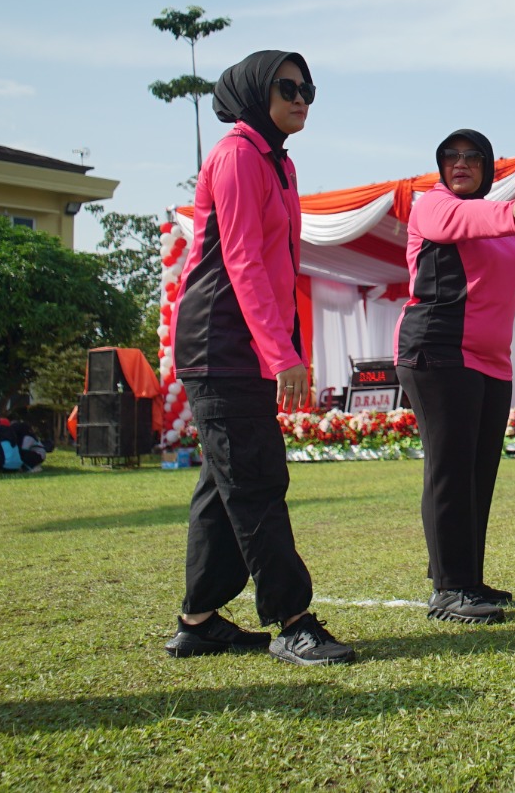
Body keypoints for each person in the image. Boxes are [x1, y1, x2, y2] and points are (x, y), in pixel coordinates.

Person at [169, 49, 355, 665]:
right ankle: (292, 619)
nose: (302, 98)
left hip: (243, 344)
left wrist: (286, 347)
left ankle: (198, 621)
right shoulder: (238, 155)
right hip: (219, 343)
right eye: (288, 87)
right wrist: (282, 356)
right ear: (256, 92)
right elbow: (243, 262)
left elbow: (280, 270)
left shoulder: (279, 162)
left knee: (224, 486)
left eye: (309, 89)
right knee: (255, 480)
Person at [394, 128, 515, 623]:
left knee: (479, 473)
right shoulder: (432, 205)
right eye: (451, 157)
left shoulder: (496, 223)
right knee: (451, 469)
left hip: (489, 360)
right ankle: (449, 588)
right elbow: (464, 218)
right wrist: (511, 211)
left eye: (472, 157)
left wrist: (510, 217)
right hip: (437, 351)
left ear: (488, 168)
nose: (461, 164)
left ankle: (468, 577)